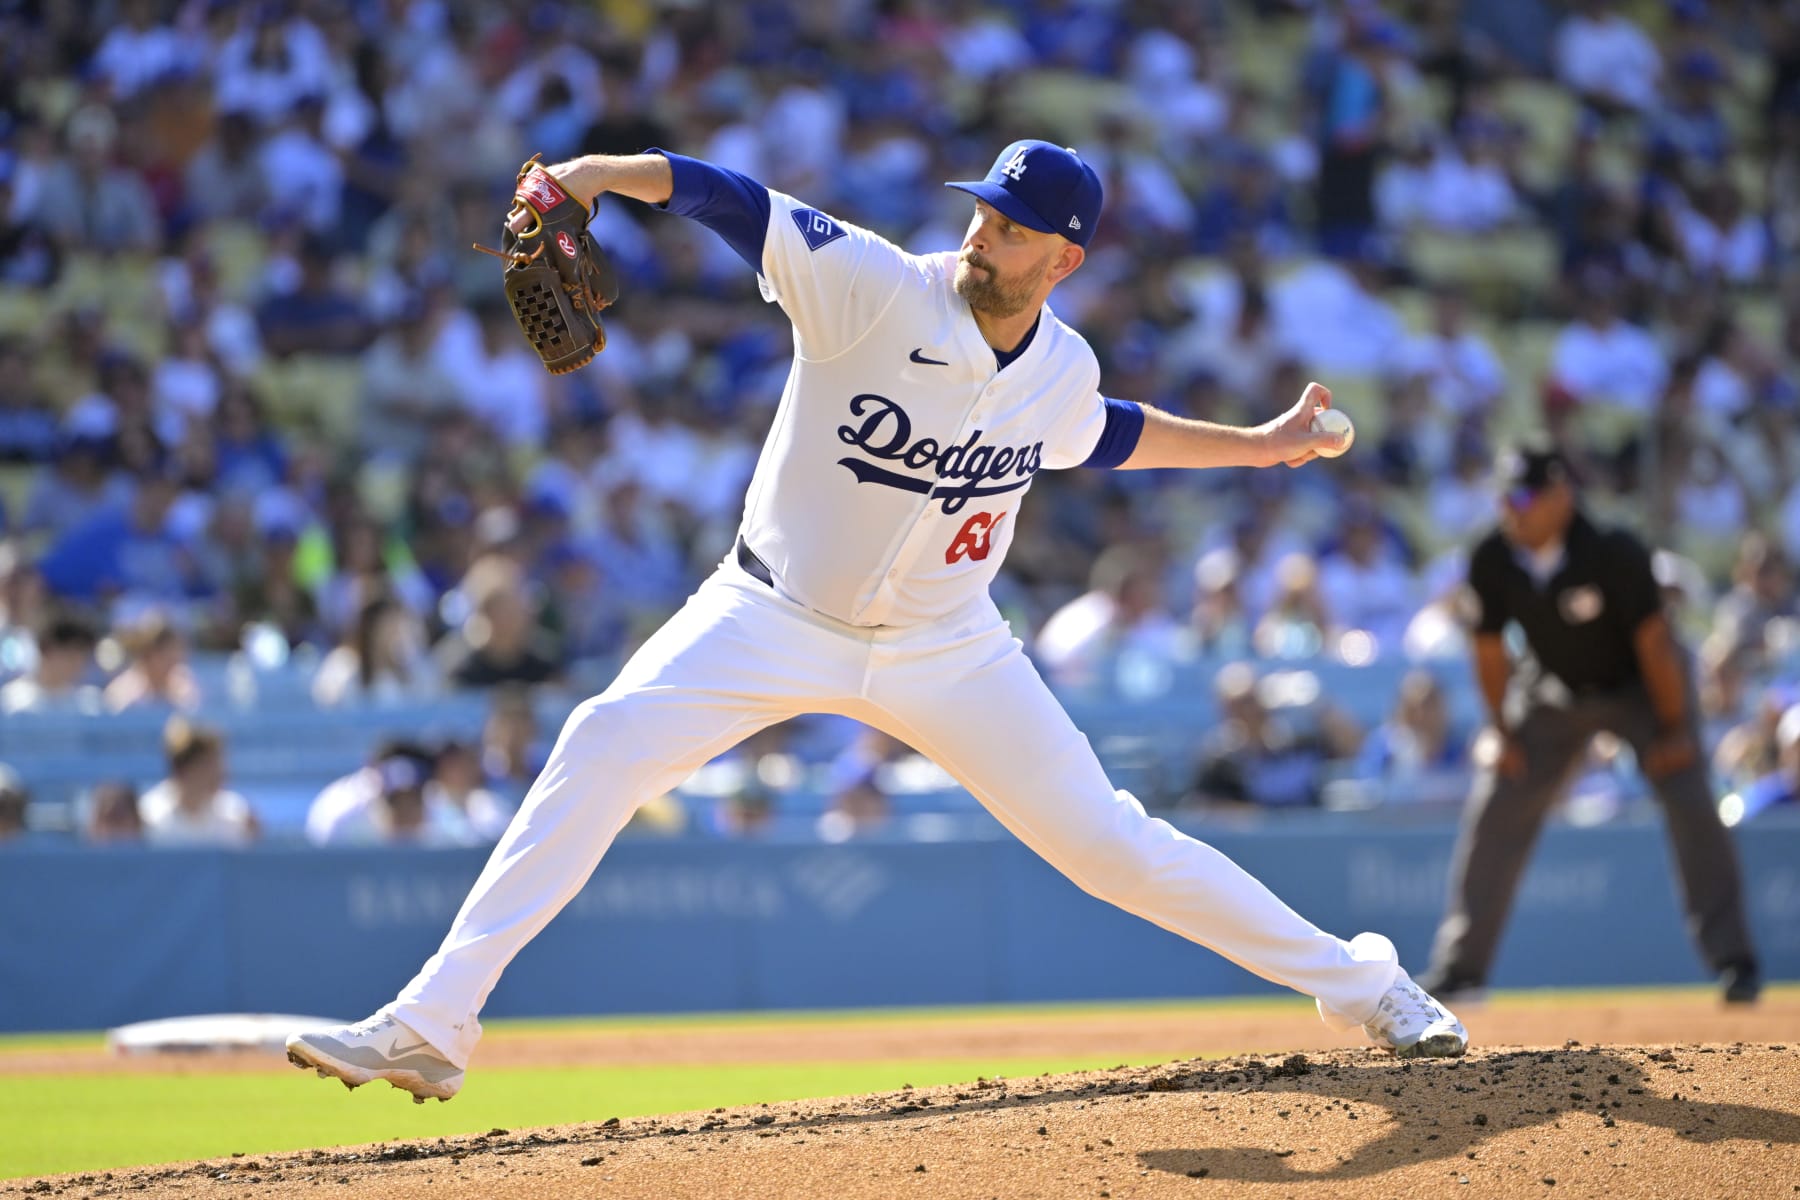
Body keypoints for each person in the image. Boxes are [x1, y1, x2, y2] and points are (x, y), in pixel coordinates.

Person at [287, 139, 1466, 1106]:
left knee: (1113, 848)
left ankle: (1366, 985)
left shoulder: (1059, 366)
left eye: (1008, 224)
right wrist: (596, 178)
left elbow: (1112, 432)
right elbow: (725, 197)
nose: (979, 232)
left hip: (948, 649)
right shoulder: (868, 282)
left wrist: (1262, 446)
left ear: (1063, 255)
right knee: (602, 741)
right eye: (980, 210)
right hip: (769, 610)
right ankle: (433, 1022)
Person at [1418, 441, 1760, 1005]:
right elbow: (1487, 652)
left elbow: (1656, 648)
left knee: (1693, 803)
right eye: (1505, 497)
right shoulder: (1492, 555)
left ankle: (1736, 964)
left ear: (1561, 495)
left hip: (1641, 692)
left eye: (1525, 496)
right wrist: (1502, 734)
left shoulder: (1613, 550)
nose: (1513, 510)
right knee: (1498, 802)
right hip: (1552, 691)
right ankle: (1460, 969)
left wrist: (1675, 730)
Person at [138, 718, 259, 848]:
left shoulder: (236, 814)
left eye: (218, 763)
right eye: (208, 765)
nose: (219, 773)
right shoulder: (148, 817)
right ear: (182, 768)